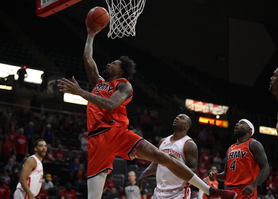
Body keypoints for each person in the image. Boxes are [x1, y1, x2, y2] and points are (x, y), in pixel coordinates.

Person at [56, 22, 237, 199]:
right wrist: (90, 35)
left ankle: (209, 190)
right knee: (92, 196)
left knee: (162, 157)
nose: (110, 63)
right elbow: (88, 59)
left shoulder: (124, 86)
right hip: (96, 139)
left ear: (123, 70)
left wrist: (80, 92)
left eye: (115, 63)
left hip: (117, 133)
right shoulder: (99, 83)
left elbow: (110, 105)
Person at [138, 114, 198, 199]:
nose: (176, 118)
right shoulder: (163, 141)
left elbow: (193, 171)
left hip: (178, 193)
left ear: (186, 126)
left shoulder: (189, 145)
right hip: (159, 191)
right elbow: (156, 163)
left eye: (181, 118)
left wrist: (176, 164)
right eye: (176, 117)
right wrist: (144, 173)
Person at [210, 119, 269, 199]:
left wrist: (253, 185)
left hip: (245, 190)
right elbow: (226, 174)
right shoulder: (230, 148)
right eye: (237, 122)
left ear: (249, 130)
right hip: (229, 190)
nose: (237, 124)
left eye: (241, 123)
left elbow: (266, 168)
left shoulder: (253, 144)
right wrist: (217, 176)